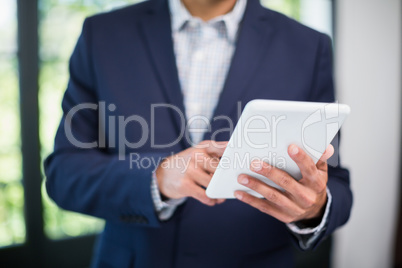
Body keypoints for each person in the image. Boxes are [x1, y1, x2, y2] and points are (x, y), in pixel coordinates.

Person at [44, 0, 353, 267]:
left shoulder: (308, 47)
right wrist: (159, 177)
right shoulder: (103, 34)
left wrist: (314, 207)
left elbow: (334, 182)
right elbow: (64, 174)